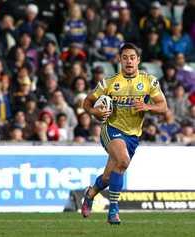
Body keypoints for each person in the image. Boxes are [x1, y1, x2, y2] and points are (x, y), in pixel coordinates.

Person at [81, 43, 167, 224]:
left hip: (133, 136)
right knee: (123, 161)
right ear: (119, 60)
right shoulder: (109, 82)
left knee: (108, 177)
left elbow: (163, 107)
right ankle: (113, 212)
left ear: (138, 60)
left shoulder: (149, 81)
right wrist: (96, 112)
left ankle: (90, 193)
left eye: (132, 57)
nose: (129, 61)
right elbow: (87, 103)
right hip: (111, 129)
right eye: (125, 57)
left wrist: (147, 106)